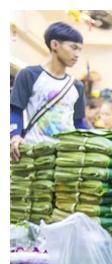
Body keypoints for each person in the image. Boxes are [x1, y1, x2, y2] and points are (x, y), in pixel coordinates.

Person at [10, 21, 86, 161]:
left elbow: (79, 122)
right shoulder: (29, 75)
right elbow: (15, 110)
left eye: (80, 49)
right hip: (34, 152)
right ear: (55, 45)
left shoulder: (77, 86)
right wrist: (14, 135)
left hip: (66, 157)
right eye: (73, 47)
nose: (77, 54)